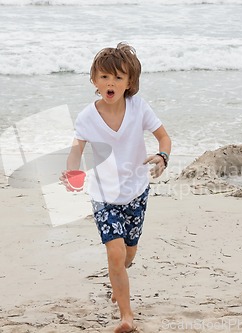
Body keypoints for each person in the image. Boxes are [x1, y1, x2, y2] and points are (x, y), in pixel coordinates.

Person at [60, 42, 171, 333]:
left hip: (136, 190)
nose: (111, 83)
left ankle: (118, 280)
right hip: (103, 193)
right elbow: (76, 148)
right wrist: (72, 170)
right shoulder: (86, 116)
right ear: (94, 80)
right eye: (105, 77)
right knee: (115, 253)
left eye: (118, 77)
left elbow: (164, 138)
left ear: (129, 82)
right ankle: (126, 316)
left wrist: (162, 157)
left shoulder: (139, 108)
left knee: (129, 252)